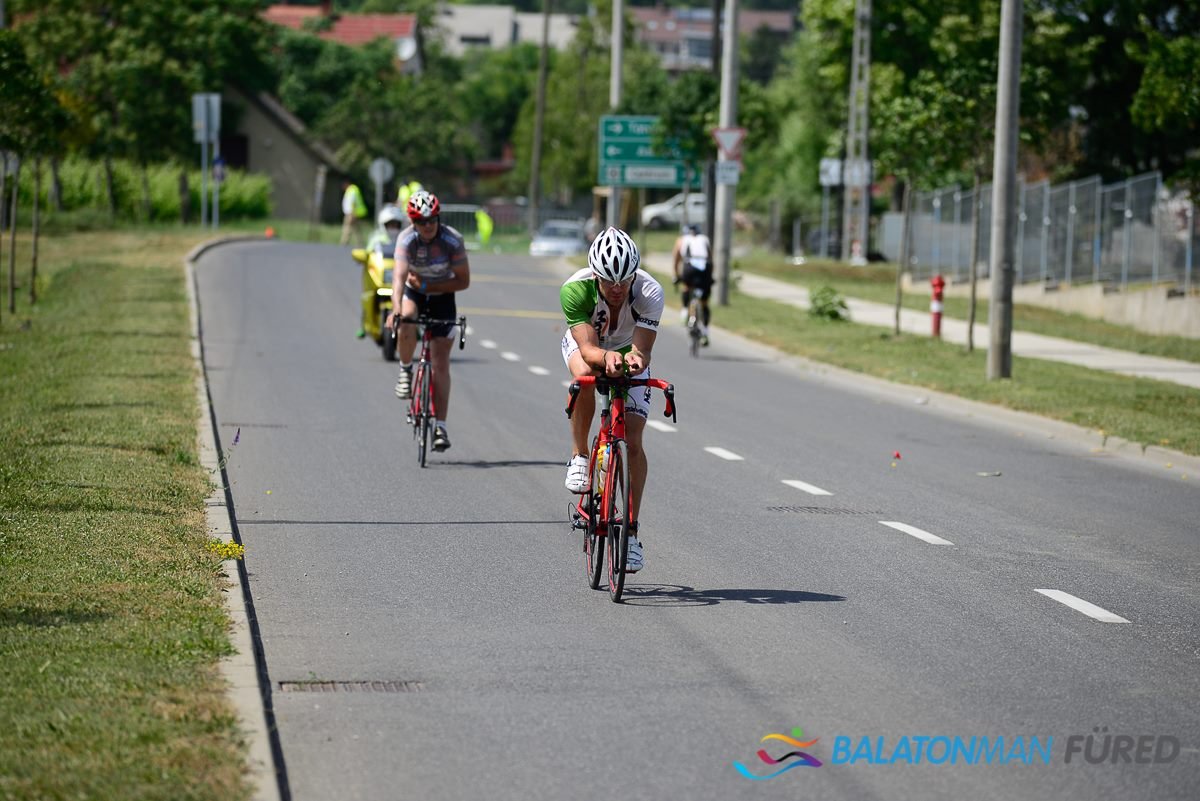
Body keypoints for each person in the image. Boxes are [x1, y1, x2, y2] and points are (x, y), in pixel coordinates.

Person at [560, 227, 664, 573]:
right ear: (595, 276)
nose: (617, 289)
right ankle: (579, 455)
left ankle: (630, 533)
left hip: (624, 348)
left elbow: (642, 349)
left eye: (624, 280)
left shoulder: (650, 292)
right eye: (608, 281)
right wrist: (605, 360)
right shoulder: (575, 289)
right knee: (584, 379)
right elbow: (589, 350)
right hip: (587, 345)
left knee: (632, 440)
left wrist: (635, 360)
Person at [389, 190, 471, 452]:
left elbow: (463, 281)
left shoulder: (452, 241)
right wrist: (395, 309)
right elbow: (399, 278)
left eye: (431, 220)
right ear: (413, 223)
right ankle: (405, 369)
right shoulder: (406, 239)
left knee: (440, 362)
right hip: (414, 293)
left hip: (443, 294)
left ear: (438, 219)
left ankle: (441, 427)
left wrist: (428, 284)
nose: (427, 226)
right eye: (421, 222)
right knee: (406, 318)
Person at [357, 204, 407, 338]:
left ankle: (416, 328)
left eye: (395, 224)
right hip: (379, 274)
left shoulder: (404, 238)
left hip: (396, 274)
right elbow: (367, 253)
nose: (393, 227)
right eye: (389, 224)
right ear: (383, 225)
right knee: (368, 295)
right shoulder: (376, 238)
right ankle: (364, 323)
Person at [671, 223, 713, 346]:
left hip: (689, 267)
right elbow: (711, 259)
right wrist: (710, 278)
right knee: (704, 303)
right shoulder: (705, 239)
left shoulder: (681, 240)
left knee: (686, 286)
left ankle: (684, 311)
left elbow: (676, 259)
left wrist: (676, 276)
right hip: (705, 268)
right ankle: (705, 332)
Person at [340, 180, 368, 246]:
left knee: (347, 228)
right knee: (356, 228)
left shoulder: (352, 190)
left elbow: (353, 202)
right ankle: (360, 242)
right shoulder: (351, 190)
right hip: (352, 212)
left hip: (351, 213)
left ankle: (344, 242)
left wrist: (353, 213)